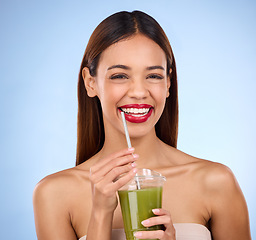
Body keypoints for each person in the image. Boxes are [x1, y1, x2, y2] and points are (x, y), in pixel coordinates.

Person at [33, 10, 251, 240]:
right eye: (119, 76)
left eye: (154, 76)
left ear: (168, 83)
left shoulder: (217, 182)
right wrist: (100, 215)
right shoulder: (53, 194)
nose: (138, 92)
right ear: (91, 83)